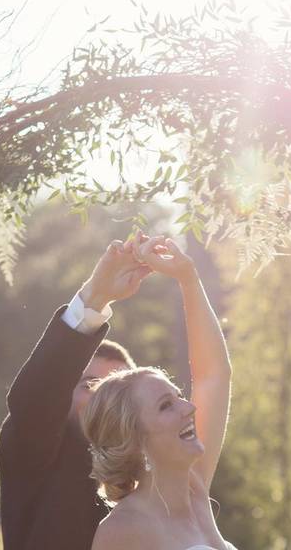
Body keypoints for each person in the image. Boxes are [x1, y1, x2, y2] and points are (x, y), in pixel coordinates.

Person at [0, 234, 154, 550]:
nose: (103, 396)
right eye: (89, 384)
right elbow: (37, 400)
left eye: (117, 386)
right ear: (63, 396)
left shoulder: (158, 473)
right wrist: (95, 297)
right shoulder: (34, 454)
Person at [82, 235, 236, 550]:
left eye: (178, 396)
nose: (189, 408)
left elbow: (213, 376)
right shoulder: (122, 531)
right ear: (135, 439)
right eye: (166, 406)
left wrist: (188, 278)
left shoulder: (194, 490)